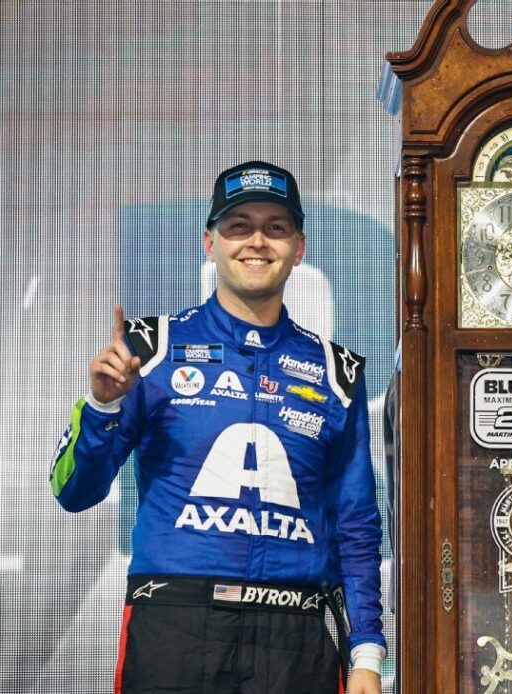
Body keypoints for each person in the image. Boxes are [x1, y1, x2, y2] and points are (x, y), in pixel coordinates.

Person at [49, 161, 386, 694]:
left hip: (295, 633)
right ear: (210, 242)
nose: (257, 241)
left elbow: (356, 525)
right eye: (239, 226)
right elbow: (72, 491)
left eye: (275, 227)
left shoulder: (337, 373)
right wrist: (102, 407)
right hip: (176, 625)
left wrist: (366, 652)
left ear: (299, 248)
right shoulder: (148, 349)